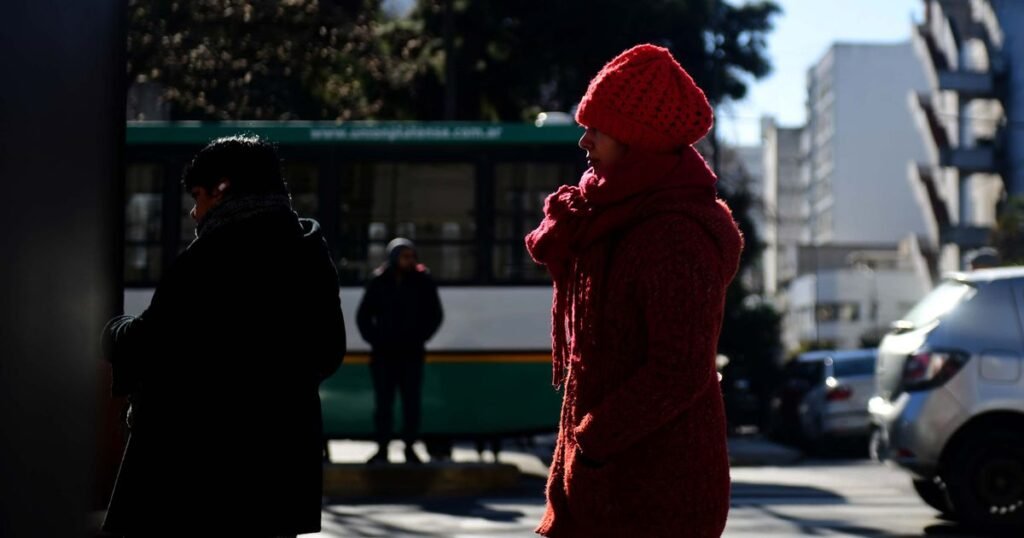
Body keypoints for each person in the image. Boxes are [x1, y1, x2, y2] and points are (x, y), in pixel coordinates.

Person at [525, 44, 743, 537]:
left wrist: (592, 442)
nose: (584, 141)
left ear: (634, 138)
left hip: (655, 496)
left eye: (596, 128)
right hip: (603, 486)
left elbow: (679, 369)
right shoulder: (610, 216)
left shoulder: (675, 234)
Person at [101, 135, 346, 537]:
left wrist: (115, 330)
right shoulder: (309, 253)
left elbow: (151, 343)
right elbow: (328, 352)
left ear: (223, 188)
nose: (195, 213)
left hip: (197, 473)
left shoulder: (213, 256)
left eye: (198, 197)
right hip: (278, 473)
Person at [357, 238, 444, 464]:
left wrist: (419, 337)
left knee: (410, 403)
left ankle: (409, 447)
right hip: (384, 354)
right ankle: (382, 447)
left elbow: (435, 315)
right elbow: (364, 316)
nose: (410, 261)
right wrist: (376, 339)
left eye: (412, 256)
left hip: (411, 353)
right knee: (383, 403)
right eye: (405, 256)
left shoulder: (423, 281)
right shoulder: (379, 281)